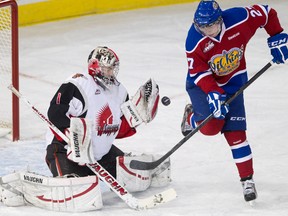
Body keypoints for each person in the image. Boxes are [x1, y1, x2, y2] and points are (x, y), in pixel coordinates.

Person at [0, 46, 171, 212]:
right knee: (80, 195)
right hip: (66, 150)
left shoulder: (119, 91)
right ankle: (22, 186)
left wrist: (138, 116)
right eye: (107, 69)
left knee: (133, 176)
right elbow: (55, 113)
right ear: (95, 67)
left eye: (113, 68)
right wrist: (76, 136)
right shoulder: (79, 84)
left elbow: (116, 129)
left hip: (101, 155)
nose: (112, 73)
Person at [181, 0, 288, 203]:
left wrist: (277, 35)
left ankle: (247, 180)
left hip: (234, 82)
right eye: (200, 27)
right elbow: (198, 73)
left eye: (209, 26)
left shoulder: (239, 18)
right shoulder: (193, 40)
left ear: (220, 20)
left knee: (236, 134)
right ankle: (192, 116)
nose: (205, 31)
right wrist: (213, 93)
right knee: (211, 128)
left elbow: (267, 13)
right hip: (203, 86)